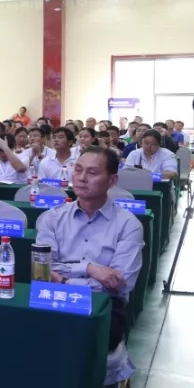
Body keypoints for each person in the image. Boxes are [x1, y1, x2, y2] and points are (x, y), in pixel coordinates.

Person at [36, 147, 144, 351]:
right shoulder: (52, 217)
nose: (82, 178)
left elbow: (119, 284)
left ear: (112, 180)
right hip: (52, 297)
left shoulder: (129, 225)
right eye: (78, 170)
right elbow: (43, 269)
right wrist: (90, 269)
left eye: (92, 172)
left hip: (102, 305)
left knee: (83, 341)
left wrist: (66, 281)